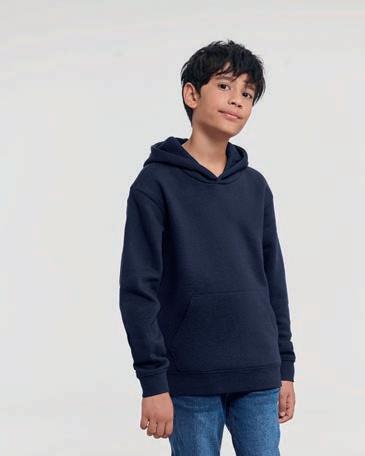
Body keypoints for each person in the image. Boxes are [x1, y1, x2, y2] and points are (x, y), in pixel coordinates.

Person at [119, 39, 296, 455]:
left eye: (247, 94)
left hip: (258, 373)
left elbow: (274, 282)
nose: (237, 100)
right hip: (189, 378)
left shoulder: (255, 187)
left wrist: (284, 366)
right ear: (191, 94)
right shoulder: (155, 185)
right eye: (225, 86)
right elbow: (138, 289)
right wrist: (153, 381)